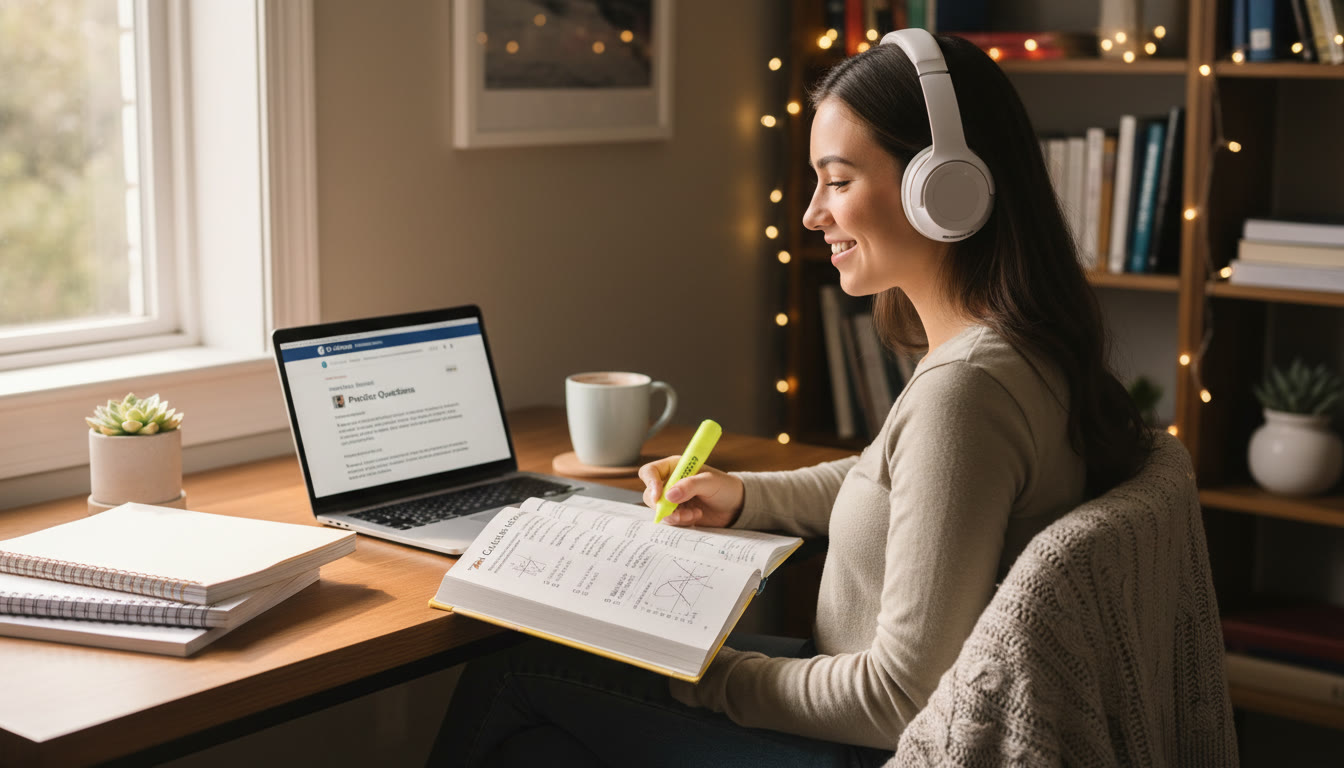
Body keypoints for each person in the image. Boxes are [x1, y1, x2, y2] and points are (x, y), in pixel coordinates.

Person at [427, 31, 1151, 767]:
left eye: (837, 181)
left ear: (943, 187)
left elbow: (899, 699)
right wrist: (743, 496)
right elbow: (901, 481)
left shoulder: (966, 393)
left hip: (873, 743)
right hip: (861, 705)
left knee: (514, 673)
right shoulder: (1018, 347)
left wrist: (703, 676)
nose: (811, 213)